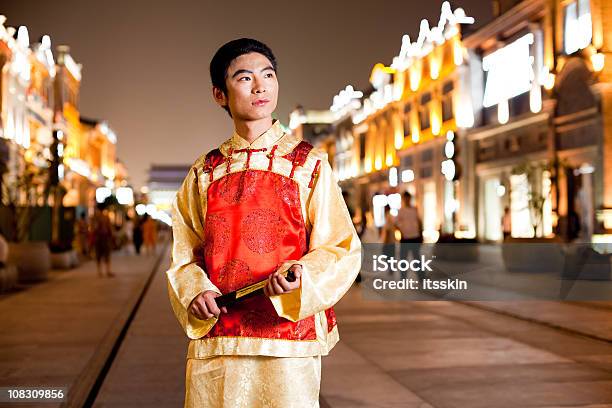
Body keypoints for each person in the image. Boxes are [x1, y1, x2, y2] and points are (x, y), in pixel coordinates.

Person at [166, 38, 361, 408]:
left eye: (268, 74)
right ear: (219, 95)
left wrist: (300, 273)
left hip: (286, 339)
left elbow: (341, 247)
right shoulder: (204, 172)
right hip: (219, 337)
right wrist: (196, 292)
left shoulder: (309, 164)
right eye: (244, 78)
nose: (260, 86)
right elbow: (184, 254)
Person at [396, 191, 423, 279]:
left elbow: (419, 222)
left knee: (416, 257)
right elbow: (396, 224)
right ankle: (403, 277)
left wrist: (420, 234)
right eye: (405, 198)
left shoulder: (414, 209)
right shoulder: (401, 211)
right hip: (405, 238)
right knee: (404, 258)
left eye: (408, 198)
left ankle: (421, 276)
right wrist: (402, 232)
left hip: (415, 236)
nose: (407, 200)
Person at [91, 204, 114, 278]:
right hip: (104, 238)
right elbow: (109, 229)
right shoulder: (105, 217)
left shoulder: (95, 218)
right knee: (106, 255)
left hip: (99, 238)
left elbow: (93, 229)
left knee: (99, 255)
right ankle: (107, 271)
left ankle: (100, 271)